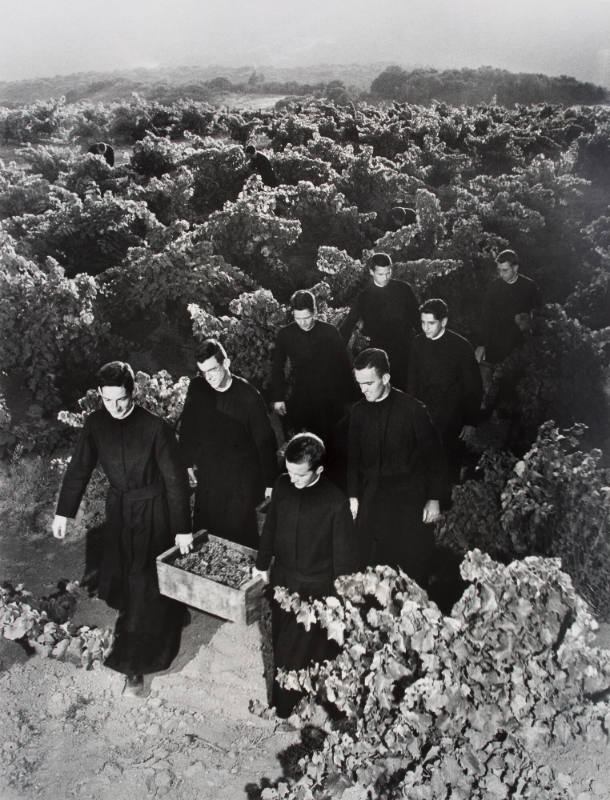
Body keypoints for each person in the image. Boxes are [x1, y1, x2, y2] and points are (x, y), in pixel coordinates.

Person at [52, 361, 193, 696]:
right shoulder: (96, 423)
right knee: (129, 579)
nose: (115, 408)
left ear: (133, 392)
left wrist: (182, 528)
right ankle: (172, 612)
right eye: (108, 400)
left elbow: (176, 482)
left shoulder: (155, 427)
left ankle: (135, 664)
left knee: (144, 582)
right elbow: (79, 469)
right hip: (119, 510)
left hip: (154, 511)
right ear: (100, 395)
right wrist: (63, 513)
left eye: (122, 400)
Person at [253, 433, 356, 718]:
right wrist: (262, 565)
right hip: (283, 580)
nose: (293, 480)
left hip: (316, 587)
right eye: (288, 472)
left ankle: (284, 708)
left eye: (300, 475)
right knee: (280, 640)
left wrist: (340, 599)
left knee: (295, 650)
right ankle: (296, 696)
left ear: (319, 470)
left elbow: (343, 557)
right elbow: (270, 528)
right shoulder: (283, 486)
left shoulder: (335, 502)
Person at [348, 348, 446, 588]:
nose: (363, 390)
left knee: (409, 562)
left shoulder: (414, 411)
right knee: (368, 559)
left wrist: (434, 498)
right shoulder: (358, 412)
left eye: (369, 383)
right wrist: (353, 495)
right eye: (359, 384)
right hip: (372, 494)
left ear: (386, 378)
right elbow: (352, 457)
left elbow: (435, 458)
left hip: (407, 496)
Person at [179, 339, 277, 548]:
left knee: (238, 535)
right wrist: (187, 462)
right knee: (206, 530)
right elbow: (188, 425)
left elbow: (265, 442)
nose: (209, 377)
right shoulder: (198, 388)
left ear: (227, 363)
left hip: (242, 477)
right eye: (204, 372)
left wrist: (270, 483)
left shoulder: (249, 397)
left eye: (213, 370)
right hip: (210, 472)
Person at [409, 298, 482, 485]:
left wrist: (470, 422)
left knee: (449, 466)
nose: (426, 328)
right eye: (423, 323)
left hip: (452, 416)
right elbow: (413, 381)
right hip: (425, 413)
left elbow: (473, 386)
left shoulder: (461, 346)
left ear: (444, 322)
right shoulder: (417, 343)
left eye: (431, 323)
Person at [270, 290, 356, 446]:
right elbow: (277, 367)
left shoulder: (329, 332)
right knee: (306, 444)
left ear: (315, 313)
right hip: (302, 396)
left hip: (330, 397)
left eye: (307, 318)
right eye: (298, 318)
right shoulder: (285, 334)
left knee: (333, 442)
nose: (303, 323)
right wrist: (278, 397)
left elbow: (344, 366)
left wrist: (351, 401)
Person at [339, 252, 420, 391]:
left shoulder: (404, 289)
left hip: (405, 351)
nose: (386, 277)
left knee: (406, 391)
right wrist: (337, 350)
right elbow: (348, 324)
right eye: (381, 274)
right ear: (372, 272)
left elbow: (417, 319)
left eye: (388, 273)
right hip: (379, 353)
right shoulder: (364, 297)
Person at [475, 249, 542, 366]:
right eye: (499, 270)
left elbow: (539, 316)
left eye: (505, 270)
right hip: (496, 347)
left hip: (520, 347)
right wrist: (481, 344)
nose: (501, 274)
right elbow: (485, 318)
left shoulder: (530, 287)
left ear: (515, 268)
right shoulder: (493, 288)